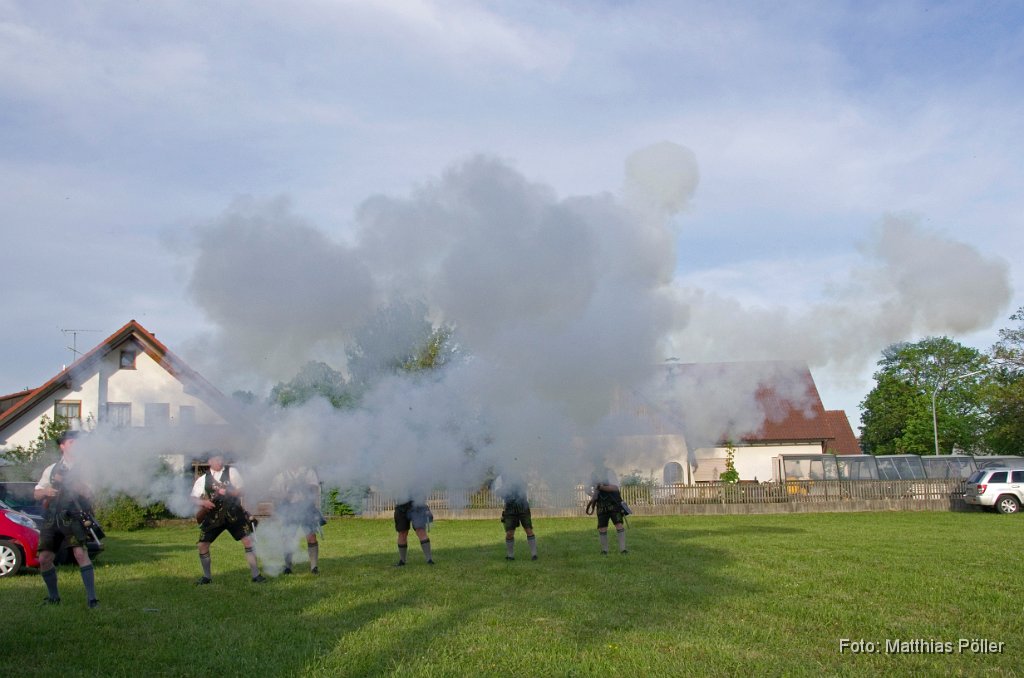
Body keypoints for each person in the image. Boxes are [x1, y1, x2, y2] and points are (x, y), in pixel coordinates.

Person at [33, 430, 101, 607]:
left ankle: (92, 599)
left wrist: (69, 481)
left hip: (75, 517)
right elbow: (36, 493)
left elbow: (89, 493)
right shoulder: (51, 469)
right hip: (52, 518)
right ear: (62, 446)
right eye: (71, 442)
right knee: (44, 559)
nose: (76, 445)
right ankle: (53, 597)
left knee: (80, 554)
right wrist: (46, 491)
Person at [191, 453, 265, 584]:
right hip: (214, 516)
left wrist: (229, 492)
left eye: (221, 459)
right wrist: (203, 503)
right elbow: (193, 498)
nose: (220, 462)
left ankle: (256, 575)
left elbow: (242, 490)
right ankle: (207, 577)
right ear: (210, 461)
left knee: (248, 541)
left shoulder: (232, 472)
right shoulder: (203, 479)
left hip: (234, 513)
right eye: (217, 459)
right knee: (202, 545)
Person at [269, 465, 324, 574]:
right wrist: (284, 494)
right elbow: (273, 492)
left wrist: (304, 486)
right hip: (289, 509)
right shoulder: (282, 474)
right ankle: (288, 567)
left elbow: (315, 488)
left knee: (311, 537)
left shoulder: (308, 471)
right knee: (287, 538)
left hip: (307, 507)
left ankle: (314, 567)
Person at [495, 476, 537, 561]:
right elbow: (497, 492)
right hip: (510, 507)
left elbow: (527, 485)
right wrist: (506, 487)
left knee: (528, 530)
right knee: (509, 533)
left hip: (523, 505)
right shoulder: (500, 478)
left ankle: (534, 555)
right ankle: (510, 556)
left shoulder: (520, 474)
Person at [586, 476, 628, 555]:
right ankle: (604, 551)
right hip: (601, 507)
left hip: (614, 506)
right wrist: (594, 495)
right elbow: (587, 488)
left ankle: (623, 550)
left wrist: (600, 487)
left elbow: (615, 488)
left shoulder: (609, 473)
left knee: (619, 525)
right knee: (602, 528)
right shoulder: (593, 475)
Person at [393, 498, 434, 566]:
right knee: (402, 533)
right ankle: (402, 561)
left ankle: (429, 560)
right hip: (401, 506)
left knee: (420, 530)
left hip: (417, 505)